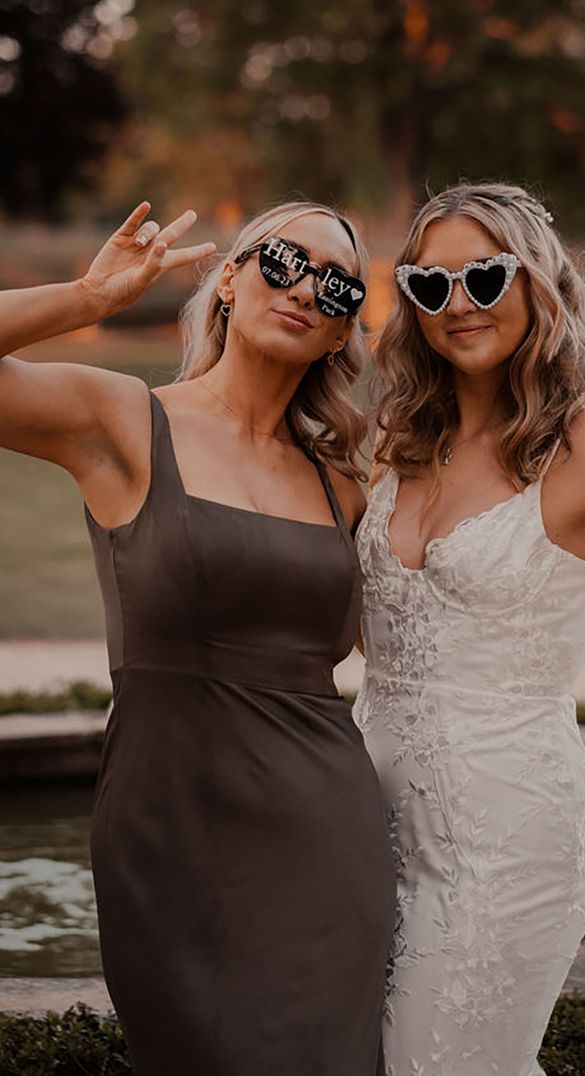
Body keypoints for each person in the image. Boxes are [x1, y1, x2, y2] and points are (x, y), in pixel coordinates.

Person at [0, 201, 396, 1075]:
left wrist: (575, 600)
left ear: (342, 333)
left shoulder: (344, 483)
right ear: (228, 276)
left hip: (327, 838)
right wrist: (86, 295)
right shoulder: (123, 420)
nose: (306, 290)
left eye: (337, 286)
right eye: (284, 260)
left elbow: (409, 640)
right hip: (169, 833)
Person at [353, 181, 585, 1076]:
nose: (458, 304)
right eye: (429, 286)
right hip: (364, 832)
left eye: (483, 275)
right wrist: (572, 599)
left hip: (507, 842)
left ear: (537, 280)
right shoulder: (395, 440)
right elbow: (390, 634)